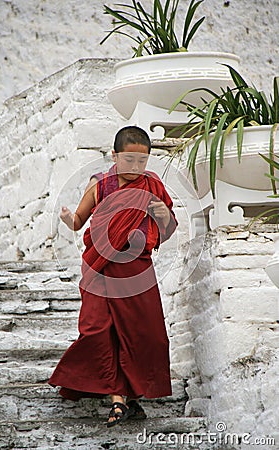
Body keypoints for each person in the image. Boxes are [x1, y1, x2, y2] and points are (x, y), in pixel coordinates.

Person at [49, 126, 177, 427]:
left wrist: (162, 214)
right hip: (100, 268)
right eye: (129, 160)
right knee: (98, 330)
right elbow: (79, 221)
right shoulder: (100, 183)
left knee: (146, 334)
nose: (135, 168)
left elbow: (168, 229)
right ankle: (116, 399)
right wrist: (69, 219)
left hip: (136, 269)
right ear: (114, 155)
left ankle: (129, 398)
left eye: (141, 162)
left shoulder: (153, 185)